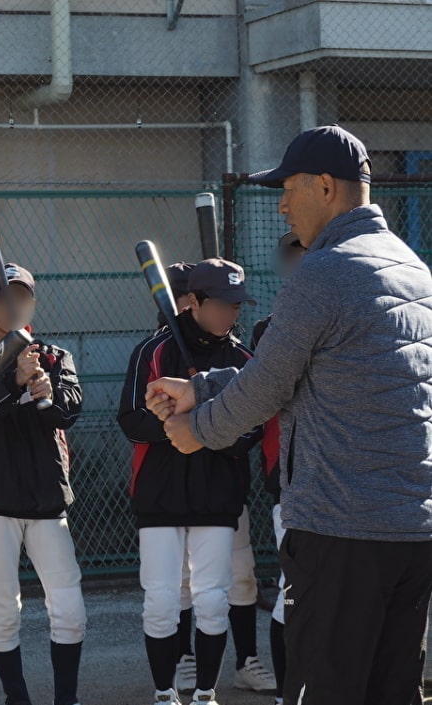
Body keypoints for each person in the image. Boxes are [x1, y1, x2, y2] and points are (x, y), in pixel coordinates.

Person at [147, 124, 432, 705]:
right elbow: (317, 369)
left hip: (340, 531)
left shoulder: (323, 272)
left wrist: (194, 430)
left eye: (288, 188)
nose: (279, 204)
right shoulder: (413, 268)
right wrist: (203, 385)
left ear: (325, 186)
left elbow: (267, 388)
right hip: (413, 531)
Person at [118, 258, 263, 705]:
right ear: (193, 302)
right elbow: (129, 419)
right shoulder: (154, 351)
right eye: (222, 304)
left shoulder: (242, 359)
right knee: (161, 600)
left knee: (213, 600)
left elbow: (251, 431)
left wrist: (200, 424)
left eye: (237, 305)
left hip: (217, 495)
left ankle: (205, 693)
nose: (231, 314)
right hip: (160, 495)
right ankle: (164, 693)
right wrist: (171, 420)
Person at [0, 263, 85, 705]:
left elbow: (66, 412)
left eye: (23, 297)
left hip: (46, 495)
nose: (15, 305)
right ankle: (17, 697)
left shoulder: (55, 355)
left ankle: (67, 698)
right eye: (5, 298)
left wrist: (43, 391)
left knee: (68, 606)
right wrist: (13, 379)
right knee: (5, 607)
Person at [250, 231, 305, 705]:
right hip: (289, 480)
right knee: (295, 591)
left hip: (344, 481)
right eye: (292, 258)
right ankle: (289, 694)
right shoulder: (269, 329)